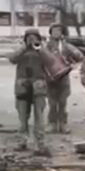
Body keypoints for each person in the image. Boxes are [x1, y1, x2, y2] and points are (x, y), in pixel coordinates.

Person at [8, 29, 52, 157]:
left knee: (39, 117)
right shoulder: (21, 50)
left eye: (34, 37)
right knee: (22, 117)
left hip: (38, 87)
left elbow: (50, 61)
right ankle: (22, 141)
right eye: (29, 37)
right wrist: (24, 48)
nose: (31, 40)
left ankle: (40, 143)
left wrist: (40, 49)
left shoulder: (42, 50)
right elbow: (12, 59)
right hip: (22, 86)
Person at [45, 23, 84, 134]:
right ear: (50, 33)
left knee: (62, 102)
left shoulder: (66, 46)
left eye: (59, 30)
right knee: (52, 103)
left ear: (62, 33)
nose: (56, 33)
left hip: (63, 77)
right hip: (50, 78)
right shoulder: (46, 46)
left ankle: (63, 123)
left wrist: (71, 63)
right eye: (54, 31)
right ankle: (52, 123)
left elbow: (80, 56)